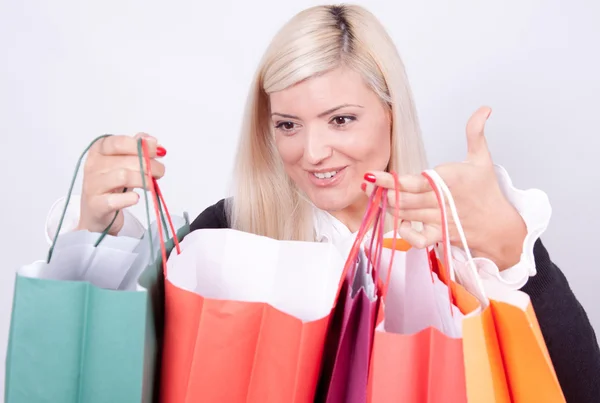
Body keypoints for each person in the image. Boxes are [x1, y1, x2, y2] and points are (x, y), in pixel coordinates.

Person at [43, 4, 599, 401]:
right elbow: (124, 376)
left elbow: (579, 388)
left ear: (390, 112)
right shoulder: (230, 235)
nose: (312, 152)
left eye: (341, 119)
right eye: (288, 124)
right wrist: (95, 228)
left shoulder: (459, 231)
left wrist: (512, 255)